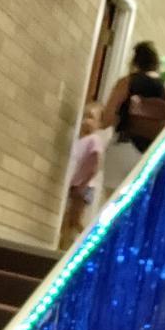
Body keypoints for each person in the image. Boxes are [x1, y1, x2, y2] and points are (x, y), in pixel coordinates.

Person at [100, 41, 165, 194]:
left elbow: (106, 120)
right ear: (156, 64)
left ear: (135, 62)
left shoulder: (126, 82)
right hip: (150, 156)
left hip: (123, 148)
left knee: (112, 201)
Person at [59, 102, 108, 248]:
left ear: (99, 124)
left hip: (84, 185)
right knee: (68, 219)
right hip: (76, 184)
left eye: (91, 118)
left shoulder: (94, 140)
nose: (86, 121)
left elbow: (96, 164)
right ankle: (63, 245)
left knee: (74, 219)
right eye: (85, 117)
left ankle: (94, 243)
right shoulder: (80, 140)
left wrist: (83, 184)